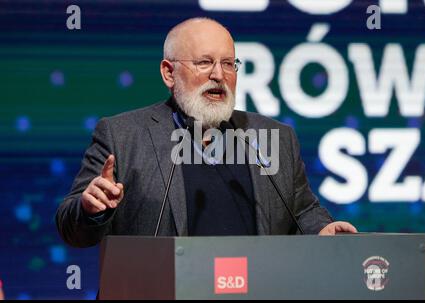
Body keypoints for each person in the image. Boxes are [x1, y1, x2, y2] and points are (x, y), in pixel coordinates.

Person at [56, 17, 357, 248]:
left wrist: (321, 230)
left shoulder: (275, 138)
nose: (218, 75)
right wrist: (90, 209)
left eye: (228, 64)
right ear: (168, 73)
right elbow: (72, 230)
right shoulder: (122, 136)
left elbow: (303, 210)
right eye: (204, 63)